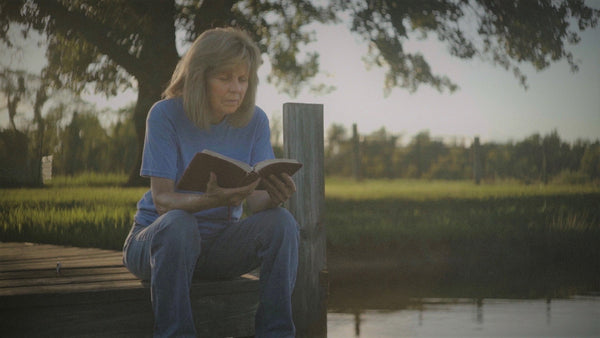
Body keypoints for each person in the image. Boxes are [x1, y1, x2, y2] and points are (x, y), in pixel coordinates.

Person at [122, 27, 299, 338]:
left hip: (219, 247)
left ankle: (277, 333)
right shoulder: (164, 115)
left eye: (243, 79)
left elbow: (257, 204)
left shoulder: (255, 120)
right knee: (179, 224)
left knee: (282, 223)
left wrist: (275, 195)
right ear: (200, 77)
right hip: (157, 244)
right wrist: (215, 199)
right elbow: (163, 201)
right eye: (225, 78)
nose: (236, 89)